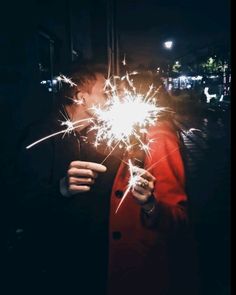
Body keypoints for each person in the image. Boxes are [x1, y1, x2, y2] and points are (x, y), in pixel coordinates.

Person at [12, 64, 195, 295]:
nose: (114, 98)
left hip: (97, 263)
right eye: (107, 92)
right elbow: (21, 205)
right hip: (59, 263)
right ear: (81, 97)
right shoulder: (42, 137)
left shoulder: (101, 135)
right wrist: (61, 189)